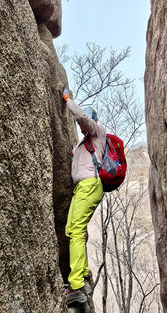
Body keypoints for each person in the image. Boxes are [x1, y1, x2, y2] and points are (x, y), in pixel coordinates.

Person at [62, 85, 106, 305]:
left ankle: (77, 286)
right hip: (83, 187)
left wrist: (68, 100)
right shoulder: (85, 143)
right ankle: (85, 276)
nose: (81, 125)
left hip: (90, 185)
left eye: (85, 120)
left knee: (76, 231)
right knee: (72, 230)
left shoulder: (97, 130)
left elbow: (81, 116)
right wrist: (74, 153)